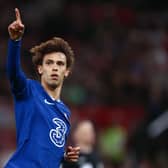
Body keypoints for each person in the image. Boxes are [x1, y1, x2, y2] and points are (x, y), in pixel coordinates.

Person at [5, 8, 80, 168]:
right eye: (49, 63)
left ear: (66, 72)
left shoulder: (65, 113)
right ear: (40, 69)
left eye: (60, 64)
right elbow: (13, 73)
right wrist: (15, 41)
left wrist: (64, 157)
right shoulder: (29, 90)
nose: (54, 68)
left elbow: (48, 150)